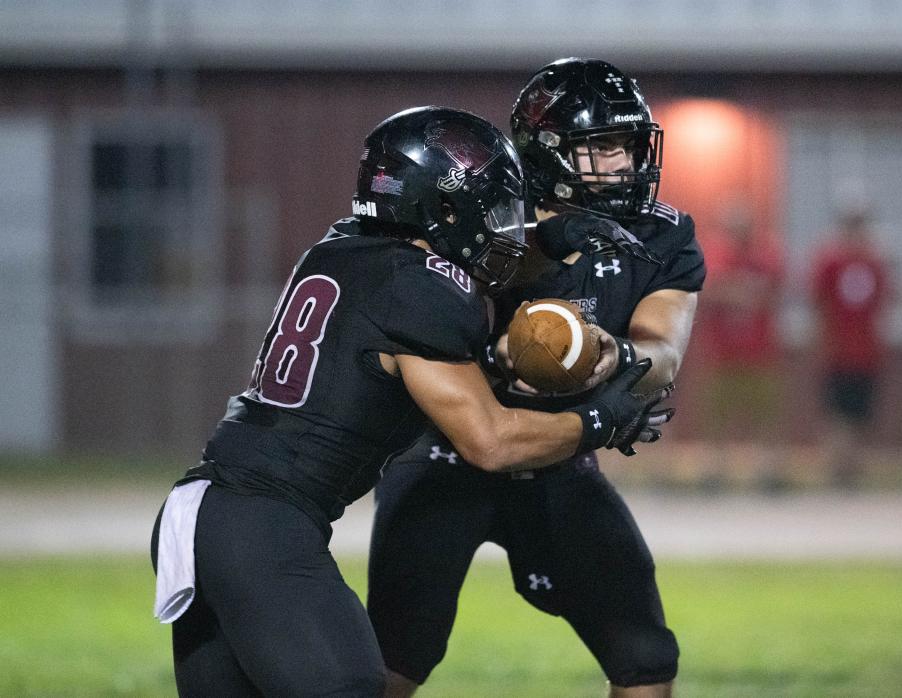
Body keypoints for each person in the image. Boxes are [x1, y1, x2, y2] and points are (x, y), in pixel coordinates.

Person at [149, 106, 675, 696]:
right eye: (494, 209)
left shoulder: (341, 249)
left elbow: (423, 351)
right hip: (263, 526)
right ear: (442, 208)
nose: (504, 227)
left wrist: (545, 250)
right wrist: (599, 421)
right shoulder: (420, 286)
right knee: (352, 686)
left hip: (204, 514)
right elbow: (491, 441)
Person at [367, 60, 705, 698]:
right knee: (395, 661)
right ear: (547, 151)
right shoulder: (483, 205)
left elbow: (663, 349)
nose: (624, 163)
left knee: (646, 663)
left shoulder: (662, 234)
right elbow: (436, 282)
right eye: (601, 147)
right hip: (445, 456)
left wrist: (618, 359)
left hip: (559, 457)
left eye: (629, 146)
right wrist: (545, 248)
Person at [698, 201, 785, 488]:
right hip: (723, 352)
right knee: (718, 416)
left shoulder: (767, 254)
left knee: (764, 415)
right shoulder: (716, 252)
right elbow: (710, 288)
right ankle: (714, 470)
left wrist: (732, 288)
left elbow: (772, 292)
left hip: (759, 351)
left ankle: (766, 472)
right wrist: (742, 290)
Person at [810, 207, 891, 488]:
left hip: (866, 353)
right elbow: (817, 302)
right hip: (837, 351)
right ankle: (837, 470)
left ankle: (853, 469)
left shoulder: (876, 263)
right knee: (837, 414)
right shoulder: (830, 261)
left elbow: (885, 304)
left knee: (859, 415)